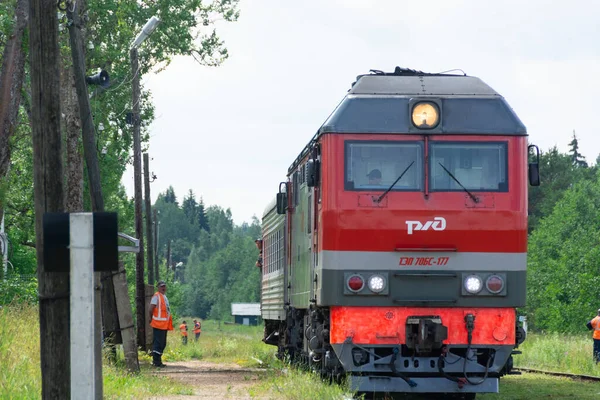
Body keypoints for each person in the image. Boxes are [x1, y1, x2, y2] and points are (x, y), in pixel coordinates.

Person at [149, 281, 173, 367]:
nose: (163, 288)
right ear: (158, 288)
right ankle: (156, 362)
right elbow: (151, 309)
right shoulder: (156, 296)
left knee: (162, 343)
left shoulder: (164, 297)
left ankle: (158, 361)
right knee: (158, 343)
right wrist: (151, 318)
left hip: (164, 325)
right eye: (162, 286)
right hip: (158, 324)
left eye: (164, 286)